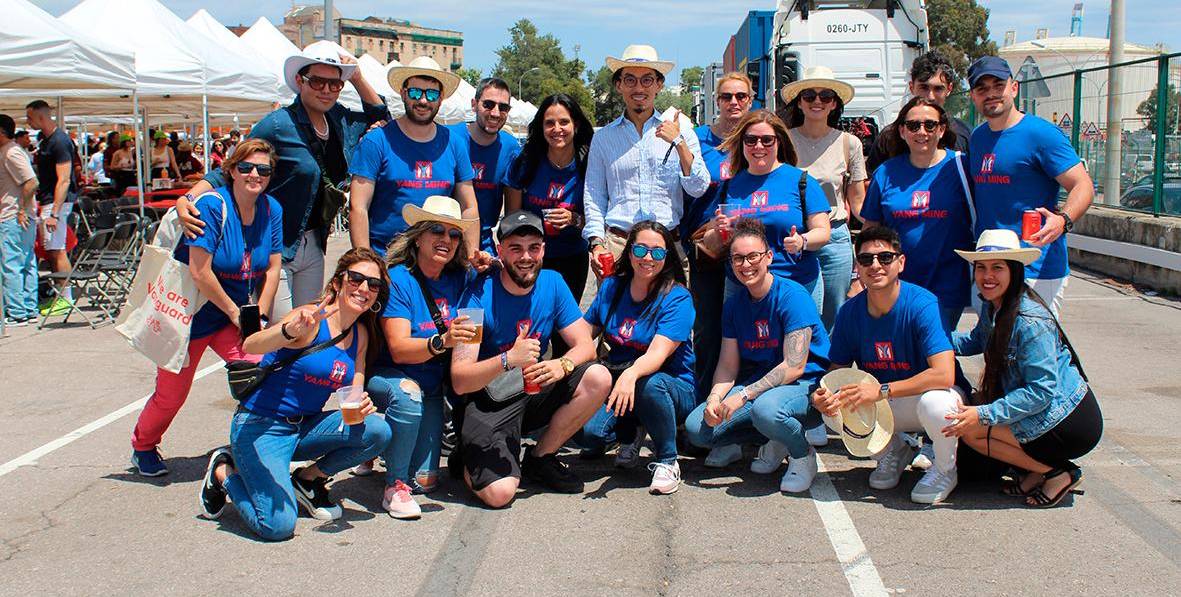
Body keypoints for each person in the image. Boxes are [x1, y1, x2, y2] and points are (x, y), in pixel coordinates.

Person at [176, 46, 388, 320]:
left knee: (307, 327)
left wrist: (357, 78)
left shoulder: (338, 119)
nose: (326, 89)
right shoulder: (278, 124)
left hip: (314, 243)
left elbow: (381, 117)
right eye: (317, 81)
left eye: (335, 83)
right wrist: (187, 198)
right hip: (276, 242)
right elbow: (233, 167)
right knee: (281, 331)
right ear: (300, 81)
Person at [198, 249, 393, 540]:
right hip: (262, 426)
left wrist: (360, 403)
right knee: (277, 526)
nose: (364, 288)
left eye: (373, 284)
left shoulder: (361, 334)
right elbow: (251, 345)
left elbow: (354, 387)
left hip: (304, 427)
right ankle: (224, 472)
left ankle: (307, 479)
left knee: (377, 430)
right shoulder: (309, 319)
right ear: (338, 283)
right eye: (356, 279)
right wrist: (289, 331)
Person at [129, 140, 284, 477]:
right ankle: (143, 444)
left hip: (235, 314)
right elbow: (200, 271)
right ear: (230, 170)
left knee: (262, 373)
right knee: (172, 396)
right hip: (191, 315)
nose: (254, 175)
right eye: (246, 167)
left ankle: (258, 444)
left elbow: (273, 268)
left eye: (263, 169)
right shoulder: (213, 206)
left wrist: (260, 313)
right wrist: (236, 314)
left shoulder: (272, 209)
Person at [450, 210, 611, 508]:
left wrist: (561, 365)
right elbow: (460, 380)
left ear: (543, 250)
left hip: (533, 390)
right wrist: (508, 359)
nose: (526, 257)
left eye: (533, 248)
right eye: (515, 248)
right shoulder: (477, 295)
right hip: (489, 400)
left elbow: (585, 346)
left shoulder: (553, 282)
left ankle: (540, 458)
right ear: (500, 251)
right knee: (499, 495)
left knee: (598, 376)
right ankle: (467, 454)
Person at [945, 229, 1101, 508]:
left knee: (970, 429)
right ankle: (1034, 470)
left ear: (1014, 271)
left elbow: (1041, 391)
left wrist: (983, 414)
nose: (987, 276)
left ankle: (1056, 473)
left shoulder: (1029, 321)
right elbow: (974, 341)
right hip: (1045, 411)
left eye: (997, 268)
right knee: (974, 411)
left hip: (1067, 420)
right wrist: (931, 339)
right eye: (981, 268)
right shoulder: (994, 306)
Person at [810, 225, 964, 504]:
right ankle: (892, 450)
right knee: (833, 408)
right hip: (890, 400)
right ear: (858, 266)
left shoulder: (923, 303)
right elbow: (836, 371)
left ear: (901, 262)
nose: (876, 265)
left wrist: (881, 390)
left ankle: (945, 469)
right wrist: (823, 394)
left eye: (885, 258)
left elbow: (944, 374)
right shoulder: (850, 312)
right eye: (867, 259)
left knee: (937, 406)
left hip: (933, 397)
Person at [684, 218, 831, 493]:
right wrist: (715, 399)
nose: (745, 265)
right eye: (738, 258)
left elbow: (795, 367)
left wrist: (743, 396)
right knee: (697, 429)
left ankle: (802, 454)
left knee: (766, 410)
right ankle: (775, 436)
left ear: (769, 257)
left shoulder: (792, 296)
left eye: (753, 256)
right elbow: (728, 366)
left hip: (804, 388)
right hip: (760, 388)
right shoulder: (734, 305)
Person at [365, 196, 478, 519]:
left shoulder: (461, 277)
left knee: (426, 482)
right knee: (408, 396)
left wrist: (491, 266)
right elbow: (399, 347)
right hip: (392, 378)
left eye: (454, 235)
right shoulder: (399, 279)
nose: (446, 240)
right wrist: (442, 341)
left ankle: (392, 446)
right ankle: (393, 486)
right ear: (418, 235)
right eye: (437, 231)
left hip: (434, 386)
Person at [966, 56, 1094, 315]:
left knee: (1036, 351)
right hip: (991, 266)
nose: (991, 94)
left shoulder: (1041, 134)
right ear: (973, 97)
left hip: (1036, 267)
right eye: (982, 89)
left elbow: (1083, 185)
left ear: (1013, 88)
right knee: (995, 349)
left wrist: (1063, 220)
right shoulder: (977, 138)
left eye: (998, 85)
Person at [579, 221, 696, 494]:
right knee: (589, 435)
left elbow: (656, 355)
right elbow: (583, 335)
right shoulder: (612, 287)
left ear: (667, 258)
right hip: (621, 381)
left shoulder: (677, 297)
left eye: (657, 252)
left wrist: (630, 374)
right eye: (641, 249)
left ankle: (667, 460)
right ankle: (631, 431)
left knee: (649, 385)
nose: (648, 258)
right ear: (629, 252)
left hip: (670, 386)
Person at [584, 44, 709, 279]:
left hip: (666, 246)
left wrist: (679, 142)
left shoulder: (681, 130)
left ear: (659, 85)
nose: (639, 88)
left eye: (647, 80)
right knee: (617, 316)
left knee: (670, 314)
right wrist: (596, 243)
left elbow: (699, 187)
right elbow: (594, 196)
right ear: (619, 85)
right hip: (619, 246)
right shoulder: (603, 138)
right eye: (630, 80)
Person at [350, 56, 481, 263]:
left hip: (436, 263)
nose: (422, 100)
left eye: (431, 93)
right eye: (414, 92)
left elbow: (469, 207)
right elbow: (358, 207)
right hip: (385, 259)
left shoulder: (455, 144)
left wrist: (471, 257)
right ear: (403, 93)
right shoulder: (377, 141)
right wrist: (365, 263)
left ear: (441, 97)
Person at [861, 97, 974, 334]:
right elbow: (870, 230)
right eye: (913, 126)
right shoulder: (886, 172)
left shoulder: (962, 167)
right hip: (896, 285)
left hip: (948, 286)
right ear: (902, 131)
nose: (921, 131)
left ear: (942, 130)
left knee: (935, 352)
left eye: (930, 125)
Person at [700, 109, 831, 298]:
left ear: (779, 141)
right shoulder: (730, 185)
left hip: (795, 284)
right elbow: (710, 242)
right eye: (751, 140)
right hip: (742, 288)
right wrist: (720, 232)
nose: (758, 146)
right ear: (742, 143)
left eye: (767, 140)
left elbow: (823, 232)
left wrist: (802, 241)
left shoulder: (801, 181)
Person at [780, 66, 868, 331]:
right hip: (795, 236)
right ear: (799, 102)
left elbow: (858, 202)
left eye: (825, 96)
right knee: (796, 312)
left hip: (835, 236)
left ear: (834, 104)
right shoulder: (785, 141)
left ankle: (828, 370)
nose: (817, 101)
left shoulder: (849, 143)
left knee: (833, 314)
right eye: (809, 95)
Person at [686, 72, 754, 402]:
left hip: (748, 249)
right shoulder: (698, 139)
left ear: (751, 100)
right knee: (709, 329)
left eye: (741, 96)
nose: (734, 103)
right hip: (707, 248)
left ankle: (741, 403)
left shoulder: (757, 139)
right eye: (726, 97)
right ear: (717, 101)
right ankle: (703, 403)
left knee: (748, 327)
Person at [505, 93, 594, 307]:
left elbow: (601, 218)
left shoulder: (590, 165)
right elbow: (511, 221)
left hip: (573, 258)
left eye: (564, 122)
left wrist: (575, 219)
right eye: (549, 123)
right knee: (531, 326)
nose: (557, 129)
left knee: (564, 329)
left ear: (576, 125)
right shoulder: (525, 164)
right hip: (530, 259)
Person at [866, 50, 971, 173]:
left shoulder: (964, 134)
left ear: (949, 89)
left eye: (938, 89)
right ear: (911, 87)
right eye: (924, 87)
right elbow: (869, 182)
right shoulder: (889, 137)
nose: (931, 96)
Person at [449, 77, 522, 254]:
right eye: (488, 104)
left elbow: (512, 211)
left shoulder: (511, 147)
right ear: (474, 104)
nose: (496, 113)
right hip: (445, 237)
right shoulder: (449, 137)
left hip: (484, 242)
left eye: (503, 107)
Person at [25, 100, 78, 316]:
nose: (28, 122)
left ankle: (66, 298)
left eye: (29, 117)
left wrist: (55, 212)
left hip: (55, 205)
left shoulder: (59, 141)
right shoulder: (46, 141)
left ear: (41, 117)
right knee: (52, 250)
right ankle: (60, 296)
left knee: (57, 250)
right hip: (49, 203)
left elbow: (64, 179)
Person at [0, 114, 39, 326]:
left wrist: (22, 209)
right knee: (25, 262)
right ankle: (27, 308)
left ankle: (17, 312)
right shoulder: (13, 151)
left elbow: (31, 182)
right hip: (19, 216)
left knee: (13, 264)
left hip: (13, 217)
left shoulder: (11, 152)